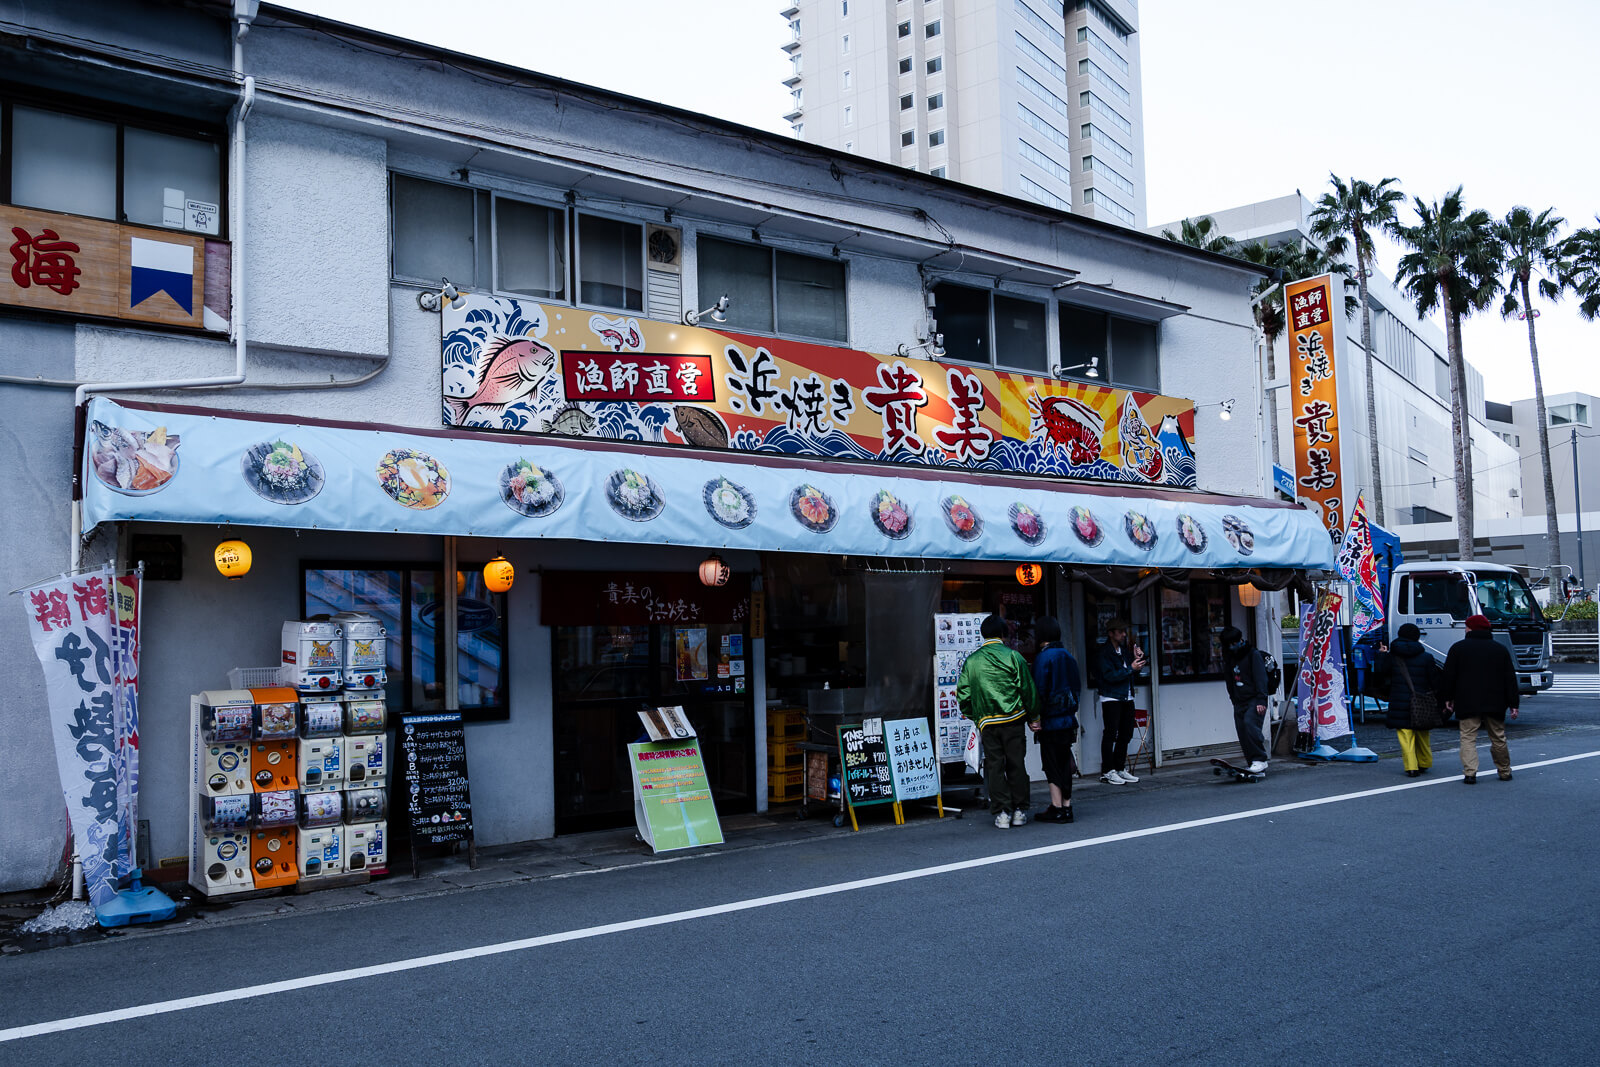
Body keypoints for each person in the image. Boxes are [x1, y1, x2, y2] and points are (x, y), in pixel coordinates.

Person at [957, 613, 1040, 829]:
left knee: (994, 765)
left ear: (982, 634)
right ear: (1004, 634)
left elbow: (963, 696)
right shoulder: (1014, 656)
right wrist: (1034, 717)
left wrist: (977, 717)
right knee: (1016, 764)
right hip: (1013, 720)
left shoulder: (972, 661)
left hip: (987, 722)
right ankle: (1020, 810)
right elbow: (1027, 690)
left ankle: (1002, 812)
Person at [1439, 614, 1520, 784]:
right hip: (1495, 701)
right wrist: (1513, 703)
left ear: (1470, 628)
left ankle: (1470, 773)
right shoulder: (1499, 649)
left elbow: (1449, 676)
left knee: (1468, 737)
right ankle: (1504, 771)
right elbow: (1509, 678)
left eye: (1467, 626)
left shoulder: (1458, 648)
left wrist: (1448, 697)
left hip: (1467, 700)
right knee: (1498, 737)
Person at [1029, 616, 1081, 823]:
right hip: (1068, 719)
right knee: (1064, 761)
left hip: (1050, 720)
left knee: (1051, 763)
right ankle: (1067, 807)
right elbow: (1076, 689)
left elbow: (1038, 691)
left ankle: (1057, 807)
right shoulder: (1068, 655)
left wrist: (1035, 717)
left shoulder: (1044, 658)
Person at [1375, 623, 1444, 776]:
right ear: (1417, 637)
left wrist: (1381, 655)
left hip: (1399, 699)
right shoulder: (1426, 657)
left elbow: (1381, 673)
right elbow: (1435, 681)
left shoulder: (1393, 656)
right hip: (1421, 701)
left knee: (1405, 734)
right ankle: (1424, 762)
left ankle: (1411, 767)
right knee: (1422, 732)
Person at [1096, 618, 1145, 784]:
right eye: (1120, 631)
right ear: (1111, 633)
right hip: (1111, 697)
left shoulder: (1124, 651)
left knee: (1126, 733)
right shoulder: (1104, 653)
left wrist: (1138, 661)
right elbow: (1109, 676)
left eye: (1124, 631)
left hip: (1127, 695)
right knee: (1111, 733)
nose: (1124, 634)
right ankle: (1107, 770)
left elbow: (1131, 672)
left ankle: (1119, 767)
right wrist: (1131, 668)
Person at [1220, 626, 1271, 775]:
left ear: (1239, 640)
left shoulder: (1252, 654)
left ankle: (1260, 759)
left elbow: (1261, 678)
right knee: (1242, 730)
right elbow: (1229, 679)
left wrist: (1262, 700)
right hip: (1239, 700)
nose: (1231, 647)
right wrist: (1233, 698)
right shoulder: (1229, 657)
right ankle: (1253, 763)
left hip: (1255, 699)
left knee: (1250, 725)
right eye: (1228, 644)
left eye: (1233, 643)